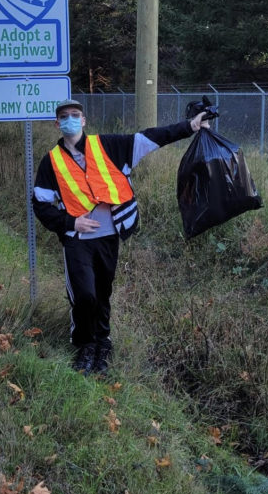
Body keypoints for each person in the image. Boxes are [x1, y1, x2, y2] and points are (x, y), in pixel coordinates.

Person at [32, 98, 208, 376]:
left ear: (84, 120)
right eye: (64, 116)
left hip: (108, 237)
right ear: (57, 123)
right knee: (84, 295)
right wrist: (70, 222)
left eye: (74, 115)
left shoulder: (109, 146)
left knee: (102, 294)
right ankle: (85, 345)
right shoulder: (50, 162)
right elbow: (40, 204)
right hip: (77, 241)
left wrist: (190, 126)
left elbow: (151, 138)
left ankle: (103, 343)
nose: (69, 120)